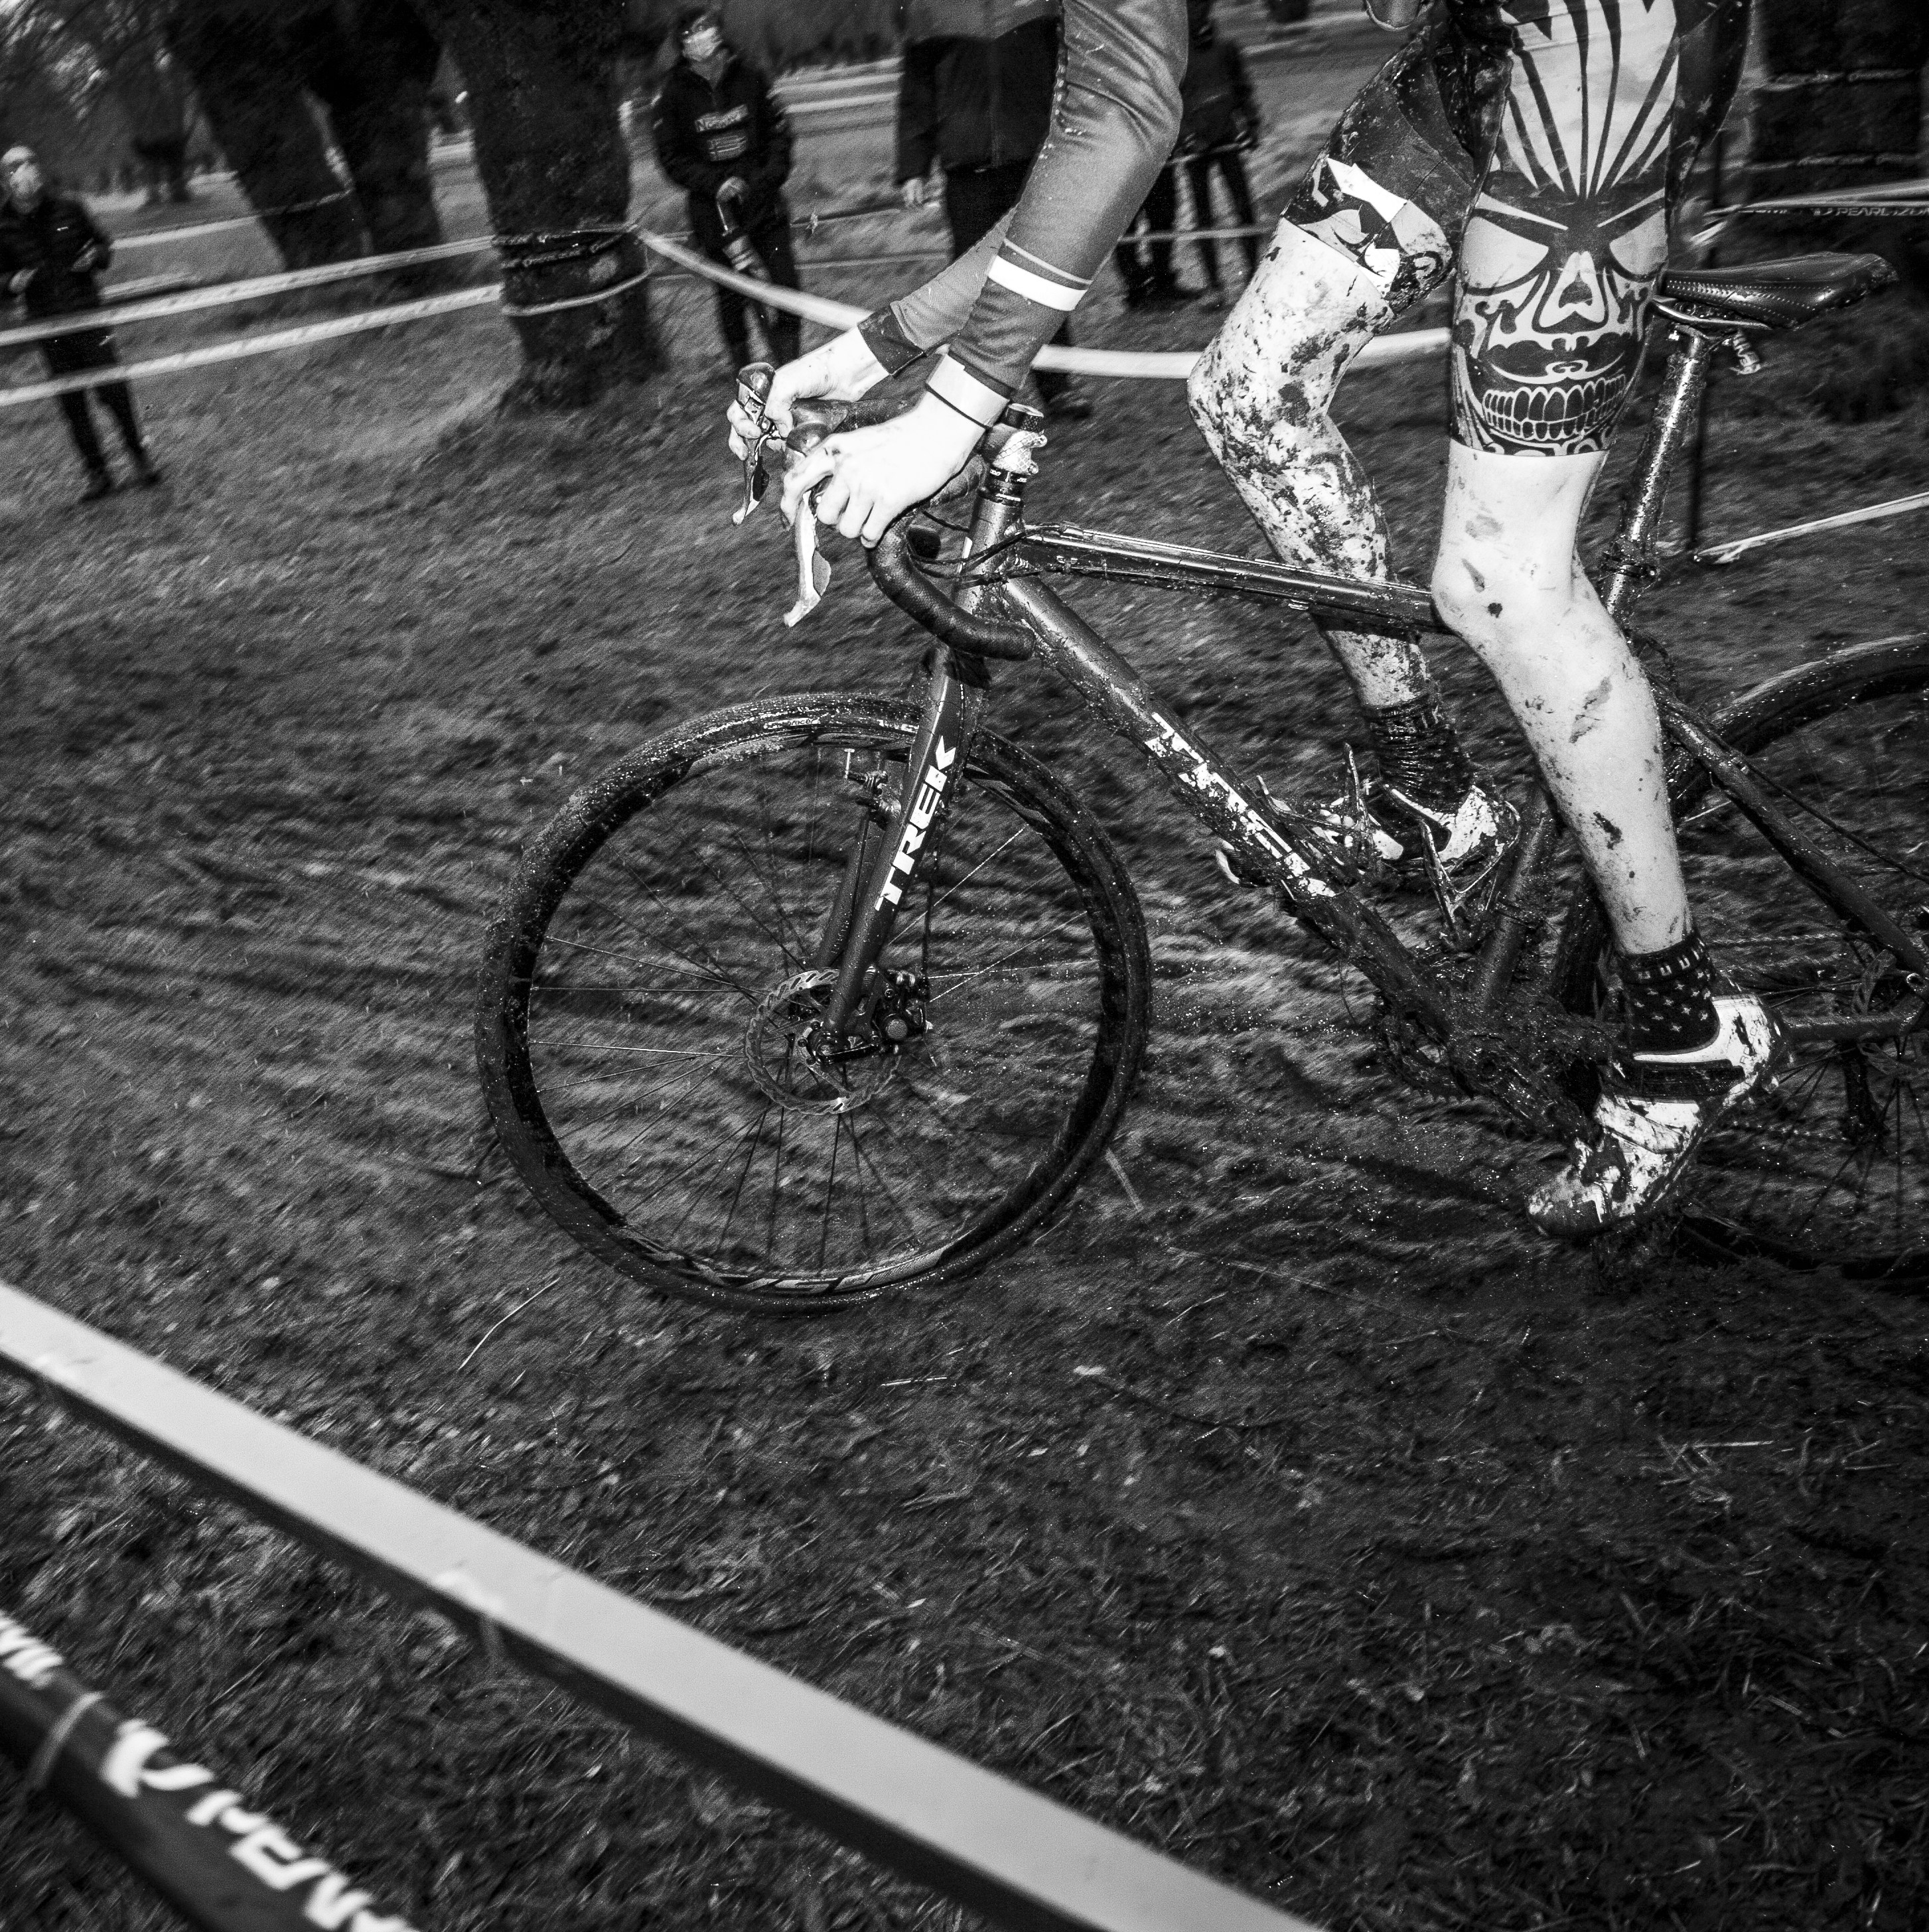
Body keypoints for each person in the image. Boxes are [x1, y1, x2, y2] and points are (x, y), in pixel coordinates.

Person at [737, 0, 1773, 1241]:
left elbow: (1119, 132)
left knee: (1502, 577)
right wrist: (871, 352)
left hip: (1602, 43)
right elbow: (1101, 141)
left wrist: (949, 411)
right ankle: (1429, 787)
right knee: (1247, 389)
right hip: (1474, 51)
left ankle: (1679, 1024)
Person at [893, 0, 1094, 421]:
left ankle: (1059, 387)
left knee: (1044, 276)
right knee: (977, 289)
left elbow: (1068, 72)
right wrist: (914, 166)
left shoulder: (1036, 9)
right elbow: (917, 93)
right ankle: (982, 397)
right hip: (968, 172)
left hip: (1031, 162)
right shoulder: (933, 14)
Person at [0, 146, 159, 503]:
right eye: (18, 171)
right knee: (73, 402)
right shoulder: (0, 228)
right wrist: (13, 283)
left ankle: (140, 459)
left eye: (32, 166)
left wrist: (95, 256)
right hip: (47, 325)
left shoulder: (70, 207)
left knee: (114, 391)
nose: (27, 176)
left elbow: (104, 247)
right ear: (6, 182)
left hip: (88, 314)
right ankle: (97, 474)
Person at [652, 7, 804, 372]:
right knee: (732, 293)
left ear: (718, 34)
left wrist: (763, 178)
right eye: (691, 34)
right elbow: (671, 156)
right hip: (713, 209)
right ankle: (743, 368)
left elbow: (779, 133)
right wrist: (714, 183)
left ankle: (790, 363)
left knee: (787, 285)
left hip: (763, 201)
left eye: (706, 30)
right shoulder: (672, 94)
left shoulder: (750, 76)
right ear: (682, 44)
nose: (700, 38)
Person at [1114, 0, 1263, 306]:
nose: (1194, 14)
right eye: (1188, 9)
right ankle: (1214, 287)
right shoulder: (1174, 57)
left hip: (1227, 142)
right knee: (1202, 215)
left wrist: (1251, 125)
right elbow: (1170, 102)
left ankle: (1255, 277)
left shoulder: (1227, 48)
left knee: (1243, 209)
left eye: (1200, 7)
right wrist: (1185, 137)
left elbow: (1242, 90)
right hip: (1195, 151)